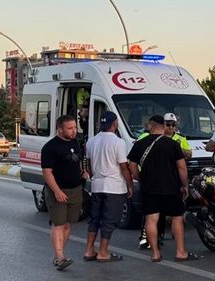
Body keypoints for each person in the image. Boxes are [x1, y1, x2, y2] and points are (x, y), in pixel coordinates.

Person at [127, 115, 199, 263]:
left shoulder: (140, 144)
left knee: (151, 219)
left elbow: (132, 165)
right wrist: (185, 185)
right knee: (176, 218)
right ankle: (181, 252)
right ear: (164, 126)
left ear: (151, 126)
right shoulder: (172, 144)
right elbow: (182, 167)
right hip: (171, 187)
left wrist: (140, 178)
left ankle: (155, 253)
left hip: (149, 188)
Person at [136, 112, 191, 248]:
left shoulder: (179, 139)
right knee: (152, 215)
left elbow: (188, 155)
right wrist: (139, 177)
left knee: (163, 215)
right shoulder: (145, 137)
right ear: (162, 125)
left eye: (173, 125)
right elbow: (134, 157)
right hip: (156, 182)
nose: (171, 127)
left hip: (167, 182)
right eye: (168, 124)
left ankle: (157, 245)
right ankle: (147, 240)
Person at [83, 111, 132, 262]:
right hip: (114, 187)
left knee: (95, 219)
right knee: (109, 220)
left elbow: (89, 164)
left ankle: (89, 250)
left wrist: (94, 177)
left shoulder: (91, 141)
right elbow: (123, 167)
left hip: (97, 186)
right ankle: (103, 252)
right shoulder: (118, 142)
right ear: (114, 124)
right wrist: (130, 184)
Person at [41, 115, 87, 271]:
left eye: (75, 127)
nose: (74, 131)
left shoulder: (75, 142)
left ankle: (60, 254)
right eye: (70, 128)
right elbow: (47, 172)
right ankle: (60, 257)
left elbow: (77, 160)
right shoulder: (50, 147)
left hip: (75, 190)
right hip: (58, 191)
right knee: (58, 224)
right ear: (60, 129)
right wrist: (57, 191)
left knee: (67, 224)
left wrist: (83, 172)